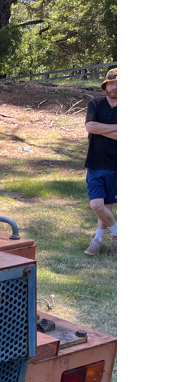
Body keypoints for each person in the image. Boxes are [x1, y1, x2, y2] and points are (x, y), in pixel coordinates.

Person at [83, 67, 117, 256]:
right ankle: (118, 234)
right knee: (97, 205)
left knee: (107, 206)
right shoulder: (95, 104)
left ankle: (98, 240)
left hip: (117, 164)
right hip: (95, 162)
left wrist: (100, 129)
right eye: (111, 83)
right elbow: (90, 126)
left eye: (118, 84)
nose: (115, 87)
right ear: (105, 85)